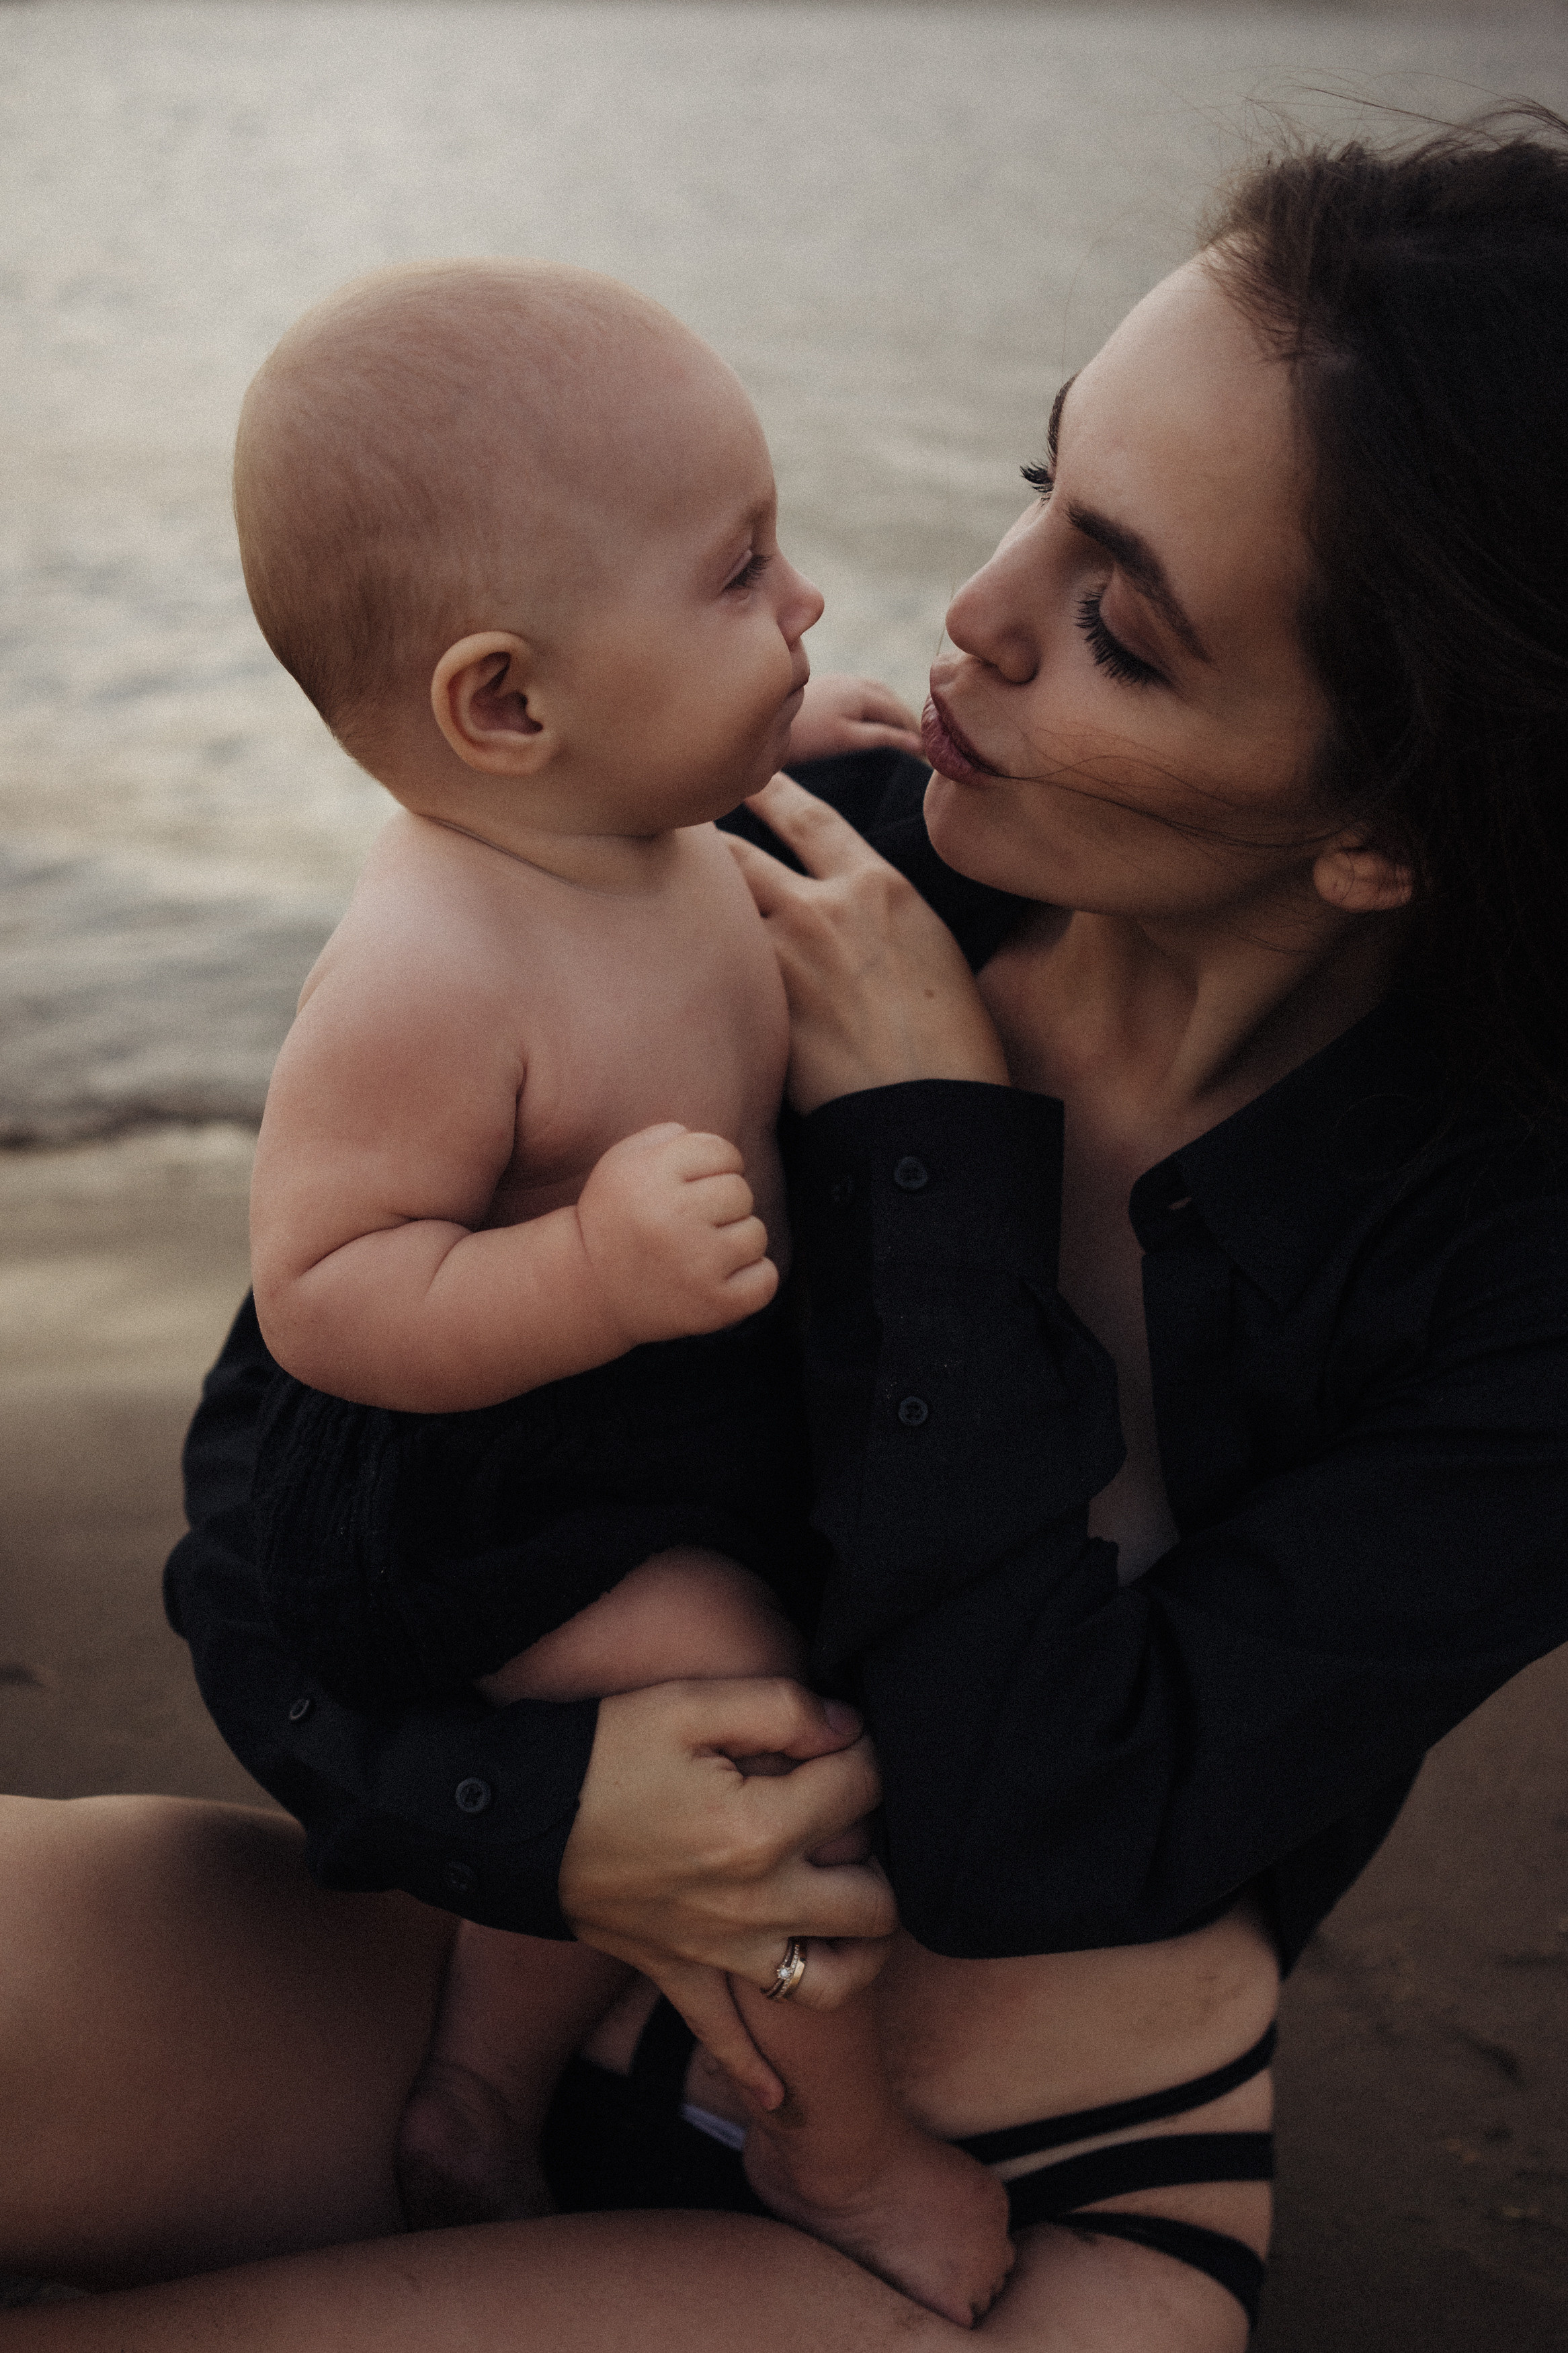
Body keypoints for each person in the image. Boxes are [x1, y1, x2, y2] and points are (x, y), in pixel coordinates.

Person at [122, 109, 1564, 2350]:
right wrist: (528, 1814)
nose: (969, 622)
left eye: (1118, 622)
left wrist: (920, 1141)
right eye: (1040, 484)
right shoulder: (799, 842)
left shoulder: (1516, 1293)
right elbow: (262, 1516)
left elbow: (1038, 1820)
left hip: (1029, 2188)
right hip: (471, 1972)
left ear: (1384, 833)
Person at [231, 260, 1011, 2319]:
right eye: (744, 572)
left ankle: (478, 2088)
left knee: (662, 1709)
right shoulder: (431, 966)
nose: (811, 603)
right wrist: (582, 1264)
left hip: (654, 1413)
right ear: (507, 702)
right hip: (494, 1480)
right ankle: (838, 2141)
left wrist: (798, 728)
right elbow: (323, 1290)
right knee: (746, 1718)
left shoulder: (636, 814)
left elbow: (725, 787)